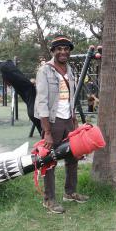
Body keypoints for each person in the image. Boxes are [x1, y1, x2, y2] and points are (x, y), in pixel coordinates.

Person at [34, 35, 89, 214]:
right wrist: (47, 131)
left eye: (66, 48)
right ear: (53, 51)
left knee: (73, 157)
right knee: (50, 160)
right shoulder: (45, 71)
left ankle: (70, 192)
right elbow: (41, 102)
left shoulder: (70, 70)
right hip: (53, 122)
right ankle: (49, 200)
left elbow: (71, 98)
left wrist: (74, 119)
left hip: (68, 121)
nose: (63, 52)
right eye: (59, 49)